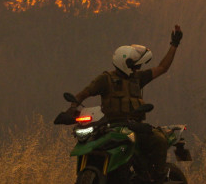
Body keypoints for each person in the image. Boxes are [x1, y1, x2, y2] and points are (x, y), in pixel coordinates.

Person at [67, 25, 183, 182]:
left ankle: (159, 176)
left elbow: (162, 68)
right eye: (135, 65)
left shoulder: (137, 78)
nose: (137, 68)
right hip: (112, 127)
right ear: (125, 63)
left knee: (159, 139)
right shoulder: (105, 79)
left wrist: (174, 45)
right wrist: (72, 108)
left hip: (135, 126)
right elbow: (83, 93)